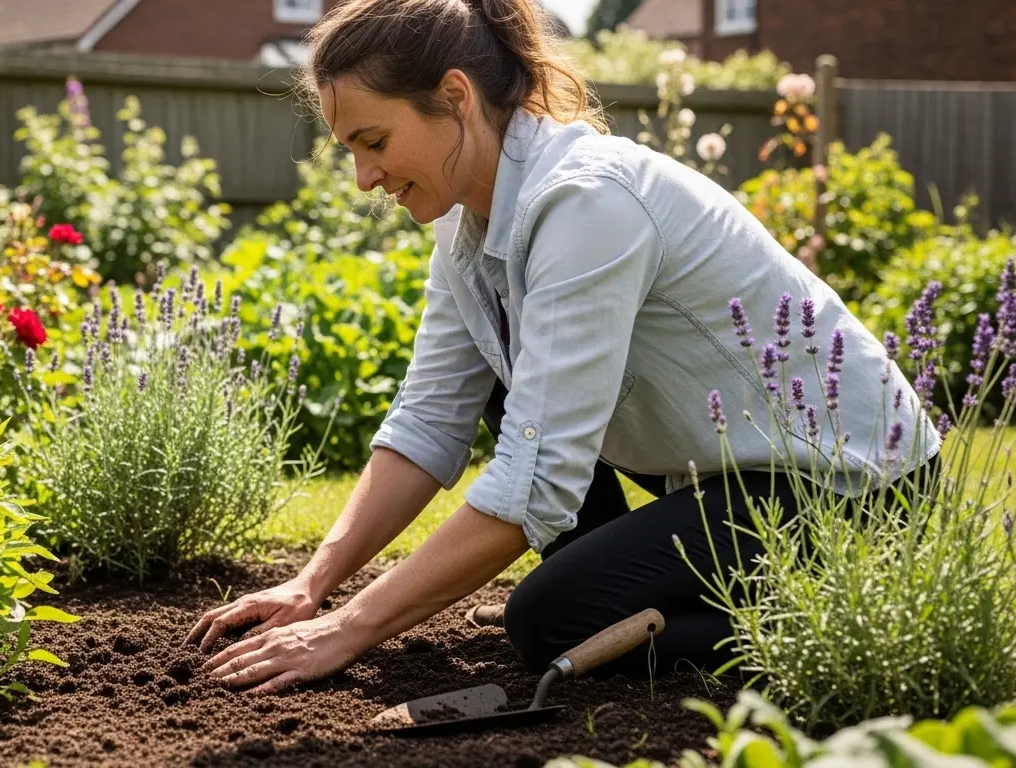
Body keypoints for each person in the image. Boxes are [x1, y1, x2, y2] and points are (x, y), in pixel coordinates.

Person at [184, 0, 942, 695]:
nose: (362, 178)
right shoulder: (467, 227)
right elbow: (429, 422)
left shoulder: (589, 203)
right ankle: (618, 594)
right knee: (499, 379)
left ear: (456, 98)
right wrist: (311, 586)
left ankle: (865, 627)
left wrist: (349, 631)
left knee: (549, 622)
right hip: (738, 481)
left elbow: (537, 481)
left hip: (851, 491)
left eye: (374, 141)